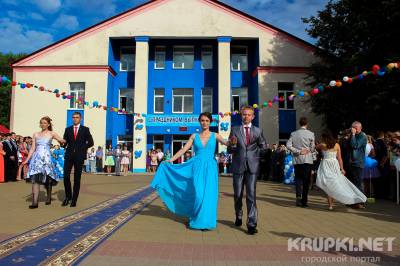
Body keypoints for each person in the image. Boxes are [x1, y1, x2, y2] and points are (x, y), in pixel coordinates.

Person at [151, 112, 232, 230]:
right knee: (198, 194)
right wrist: (170, 160)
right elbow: (183, 149)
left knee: (209, 195)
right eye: (202, 120)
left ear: (210, 122)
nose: (204, 123)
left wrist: (234, 140)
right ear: (199, 122)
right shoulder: (194, 136)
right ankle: (197, 218)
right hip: (197, 166)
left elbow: (227, 143)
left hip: (210, 168)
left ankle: (207, 222)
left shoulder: (215, 135)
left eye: (207, 121)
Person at [228, 106, 267, 235]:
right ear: (241, 115)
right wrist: (232, 145)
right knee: (238, 194)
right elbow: (230, 150)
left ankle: (251, 223)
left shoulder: (258, 130)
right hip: (238, 166)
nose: (246, 116)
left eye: (249, 115)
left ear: (253, 116)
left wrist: (257, 154)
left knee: (251, 194)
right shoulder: (234, 130)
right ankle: (238, 214)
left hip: (252, 166)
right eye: (244, 114)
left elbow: (263, 146)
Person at [22, 117, 65, 208]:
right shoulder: (36, 134)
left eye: (45, 123)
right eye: (41, 123)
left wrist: (65, 141)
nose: (43, 124)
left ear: (48, 124)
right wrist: (27, 160)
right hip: (36, 159)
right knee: (35, 180)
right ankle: (35, 202)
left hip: (47, 159)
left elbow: (62, 140)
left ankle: (48, 197)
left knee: (48, 179)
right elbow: (33, 148)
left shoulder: (52, 133)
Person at [316, 132, 367, 210]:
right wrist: (342, 168)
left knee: (328, 184)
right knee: (335, 183)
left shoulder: (322, 145)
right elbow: (340, 158)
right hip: (334, 164)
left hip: (326, 164)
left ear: (324, 138)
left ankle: (330, 205)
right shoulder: (337, 145)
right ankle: (337, 201)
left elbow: (313, 148)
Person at [62, 112, 94, 207]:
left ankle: (74, 199)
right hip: (69, 155)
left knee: (77, 178)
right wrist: (61, 142)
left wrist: (82, 148)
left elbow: (91, 143)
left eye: (77, 117)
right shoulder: (67, 130)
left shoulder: (85, 129)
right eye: (73, 117)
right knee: (66, 176)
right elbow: (65, 143)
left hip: (79, 156)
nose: (75, 119)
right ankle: (68, 196)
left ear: (81, 118)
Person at [286, 117, 315, 208]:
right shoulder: (311, 134)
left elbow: (288, 145)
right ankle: (304, 201)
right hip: (307, 160)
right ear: (307, 124)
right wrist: (307, 150)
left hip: (297, 159)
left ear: (299, 123)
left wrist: (298, 151)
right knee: (306, 180)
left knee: (298, 179)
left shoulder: (294, 134)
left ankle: (298, 198)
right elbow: (313, 147)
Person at [349, 121, 367, 193]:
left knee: (359, 183)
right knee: (353, 183)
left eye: (355, 128)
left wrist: (353, 134)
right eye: (353, 128)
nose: (354, 130)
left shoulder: (362, 136)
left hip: (358, 163)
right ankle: (354, 201)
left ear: (360, 128)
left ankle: (361, 201)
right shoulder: (353, 135)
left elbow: (355, 145)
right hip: (352, 162)